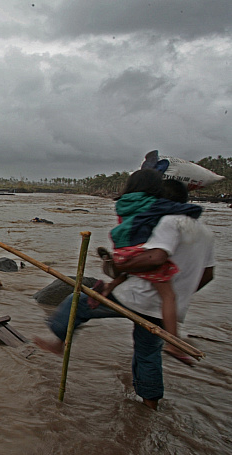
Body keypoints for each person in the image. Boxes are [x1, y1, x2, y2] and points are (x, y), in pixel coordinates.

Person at [35, 171, 215, 410]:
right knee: (148, 353)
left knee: (75, 301)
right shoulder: (205, 232)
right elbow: (208, 275)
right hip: (166, 308)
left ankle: (58, 342)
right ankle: (149, 405)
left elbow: (156, 257)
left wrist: (120, 265)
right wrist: (180, 294)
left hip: (138, 296)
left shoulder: (169, 222)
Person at [96, 170, 203, 364]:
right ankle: (174, 343)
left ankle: (113, 273)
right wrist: (191, 209)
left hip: (122, 248)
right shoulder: (158, 208)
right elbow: (158, 256)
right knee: (168, 295)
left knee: (129, 267)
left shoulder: (124, 203)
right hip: (141, 253)